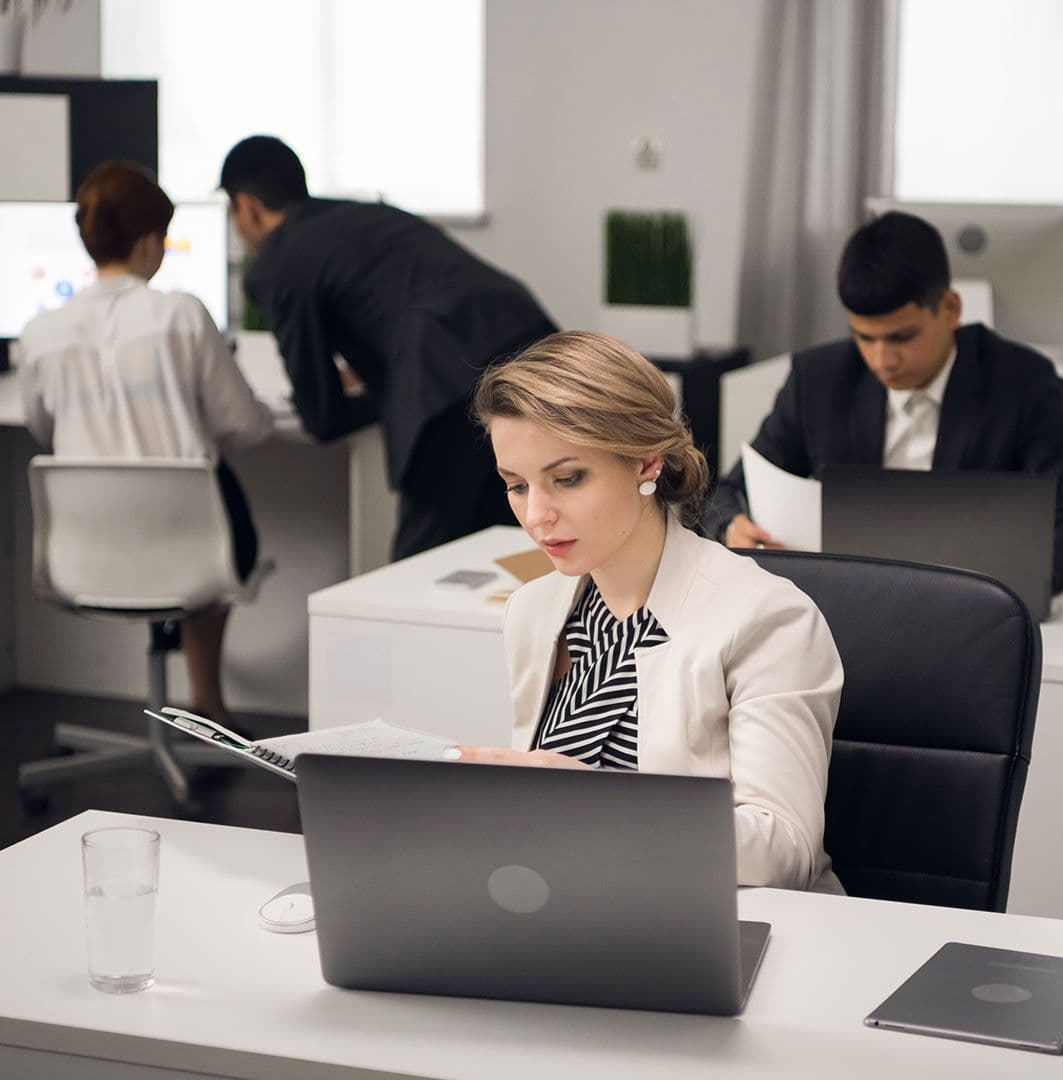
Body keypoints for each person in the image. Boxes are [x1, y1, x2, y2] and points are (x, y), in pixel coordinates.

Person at [452, 330, 844, 892]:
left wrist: (594, 799)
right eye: (516, 486)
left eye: (567, 479)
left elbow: (785, 852)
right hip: (574, 904)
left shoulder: (768, 618)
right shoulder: (534, 611)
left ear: (646, 464)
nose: (536, 515)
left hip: (722, 926)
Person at [218, 135, 557, 560]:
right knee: (525, 547)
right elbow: (406, 299)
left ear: (246, 206)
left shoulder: (277, 261)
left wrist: (383, 402)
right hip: (529, 339)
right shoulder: (363, 216)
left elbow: (322, 418)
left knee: (422, 568)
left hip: (445, 380)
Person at [706, 210, 1063, 594]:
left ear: (951, 309)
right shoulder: (817, 380)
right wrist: (731, 524)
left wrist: (993, 587)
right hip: (847, 601)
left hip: (976, 607)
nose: (882, 360)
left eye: (902, 337)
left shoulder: (1024, 382)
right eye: (865, 338)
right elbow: (729, 491)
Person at [18, 161, 273, 724]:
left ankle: (201, 700)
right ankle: (207, 700)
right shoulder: (181, 315)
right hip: (188, 555)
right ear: (149, 242)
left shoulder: (39, 334)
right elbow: (246, 427)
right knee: (212, 495)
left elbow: (43, 430)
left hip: (84, 561)